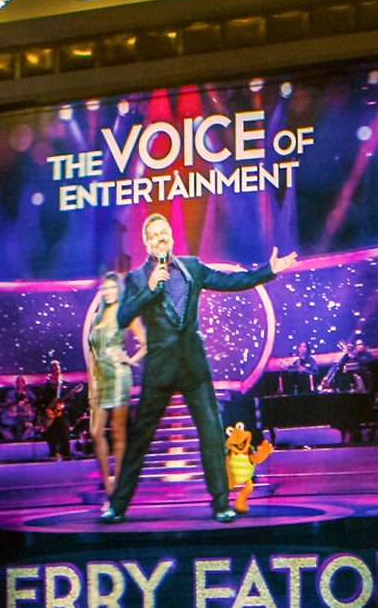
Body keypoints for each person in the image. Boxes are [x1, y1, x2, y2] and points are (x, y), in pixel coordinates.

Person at [101, 211, 298, 523]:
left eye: (164, 232)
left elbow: (229, 281)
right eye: (154, 235)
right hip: (159, 368)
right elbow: (123, 317)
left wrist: (268, 271)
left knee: (211, 432)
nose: (161, 238)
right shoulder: (137, 278)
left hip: (193, 365)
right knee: (140, 438)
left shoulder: (191, 266)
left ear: (171, 237)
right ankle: (118, 505)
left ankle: (221, 504)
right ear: (147, 244)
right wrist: (149, 289)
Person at [82, 267, 142, 494]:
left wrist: (130, 359)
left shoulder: (125, 314)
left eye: (112, 287)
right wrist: (92, 385)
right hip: (99, 379)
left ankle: (117, 486)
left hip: (118, 377)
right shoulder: (98, 316)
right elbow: (92, 352)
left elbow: (145, 342)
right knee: (95, 432)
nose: (108, 292)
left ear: (119, 289)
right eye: (105, 288)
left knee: (117, 433)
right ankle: (108, 485)